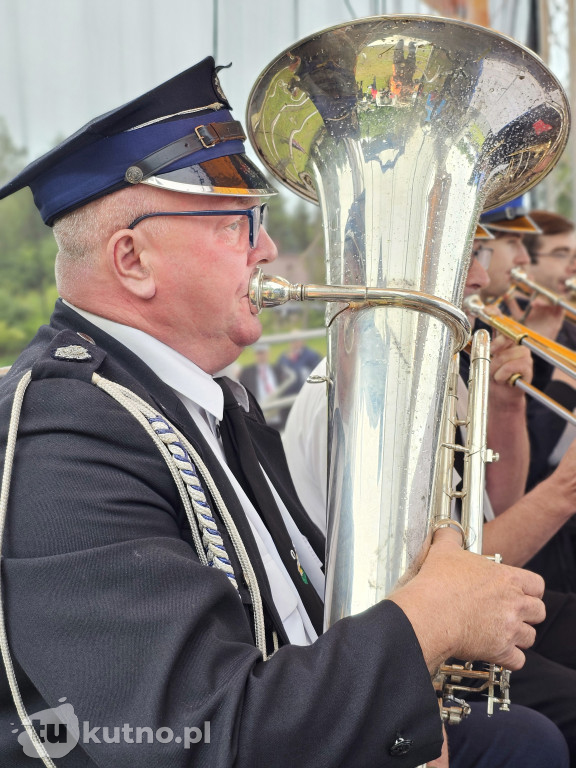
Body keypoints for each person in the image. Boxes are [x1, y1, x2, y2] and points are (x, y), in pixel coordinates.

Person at [0, 60, 558, 768]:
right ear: (133, 259)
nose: (266, 250)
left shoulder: (212, 400)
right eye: (240, 223)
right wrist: (432, 617)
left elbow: (298, 608)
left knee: (525, 739)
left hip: (301, 719)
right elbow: (197, 736)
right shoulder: (64, 436)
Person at [284, 233, 576, 763]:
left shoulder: (443, 375)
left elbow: (492, 528)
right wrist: (563, 493)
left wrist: (507, 413)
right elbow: (444, 583)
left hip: (441, 623)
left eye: (482, 258)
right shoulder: (367, 389)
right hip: (395, 642)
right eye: (466, 258)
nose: (484, 280)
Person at [239, 342, 294, 429]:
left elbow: (288, 390)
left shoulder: (278, 370)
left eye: (263, 352)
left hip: (278, 418)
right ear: (255, 354)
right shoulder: (247, 372)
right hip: (259, 418)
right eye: (259, 353)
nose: (261, 356)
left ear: (268, 353)